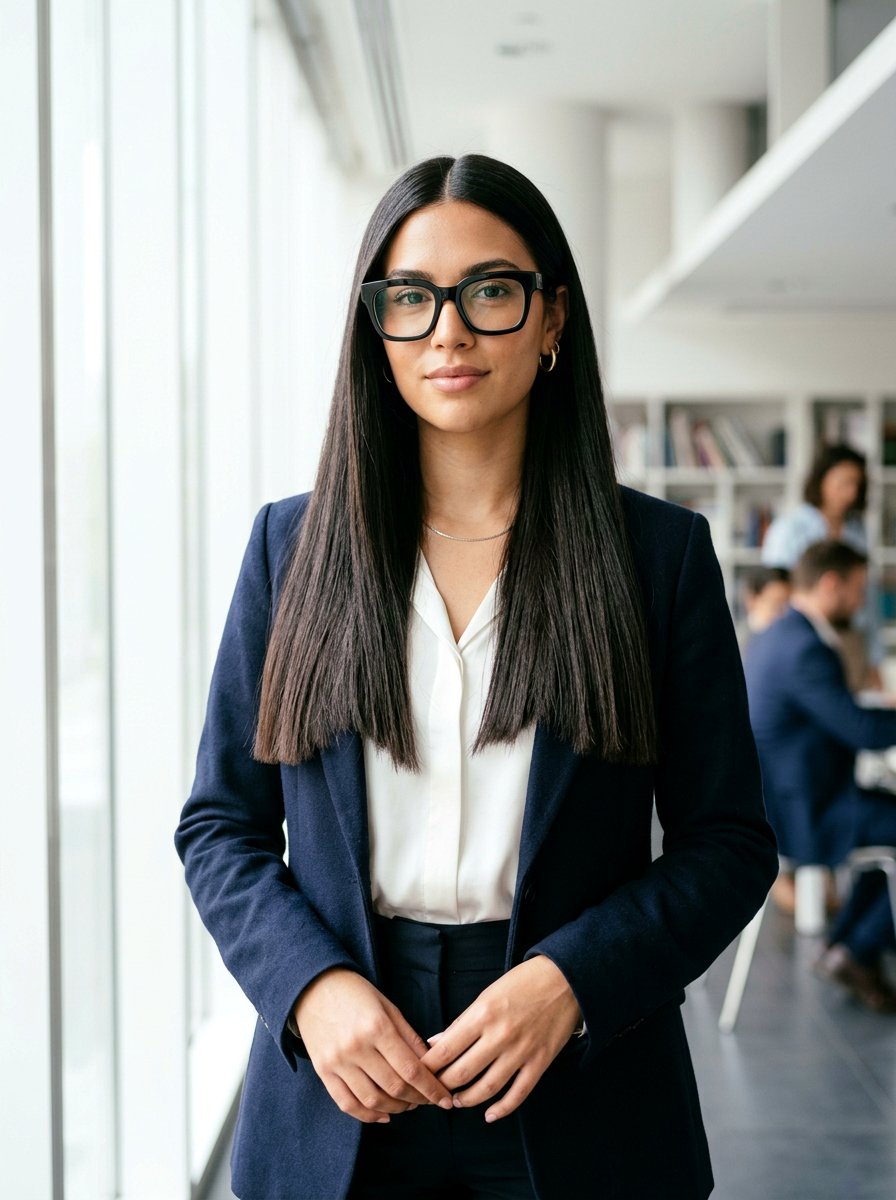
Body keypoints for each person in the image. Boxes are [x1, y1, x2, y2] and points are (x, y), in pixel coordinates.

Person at [175, 153, 777, 1200]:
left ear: (551, 322)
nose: (446, 329)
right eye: (409, 298)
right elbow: (219, 825)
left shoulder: (654, 559)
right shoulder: (291, 550)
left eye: (488, 291)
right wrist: (309, 990)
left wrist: (572, 982)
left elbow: (726, 842)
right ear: (377, 331)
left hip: (579, 1071)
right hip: (346, 1075)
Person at [744, 540, 896, 1012]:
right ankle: (856, 946)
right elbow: (862, 731)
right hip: (806, 813)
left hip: (789, 801)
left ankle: (846, 946)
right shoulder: (805, 648)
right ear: (831, 584)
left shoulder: (777, 635)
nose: (861, 601)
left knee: (886, 821)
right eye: (857, 590)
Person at [762, 442, 883, 690]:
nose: (850, 493)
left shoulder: (858, 532)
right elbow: (775, 593)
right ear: (821, 481)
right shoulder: (789, 529)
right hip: (807, 640)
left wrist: (874, 658)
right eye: (842, 483)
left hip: (851, 641)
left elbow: (868, 598)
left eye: (856, 485)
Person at [736, 565, 790, 654]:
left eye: (788, 605)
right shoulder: (741, 644)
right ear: (752, 600)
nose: (784, 613)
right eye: (776, 604)